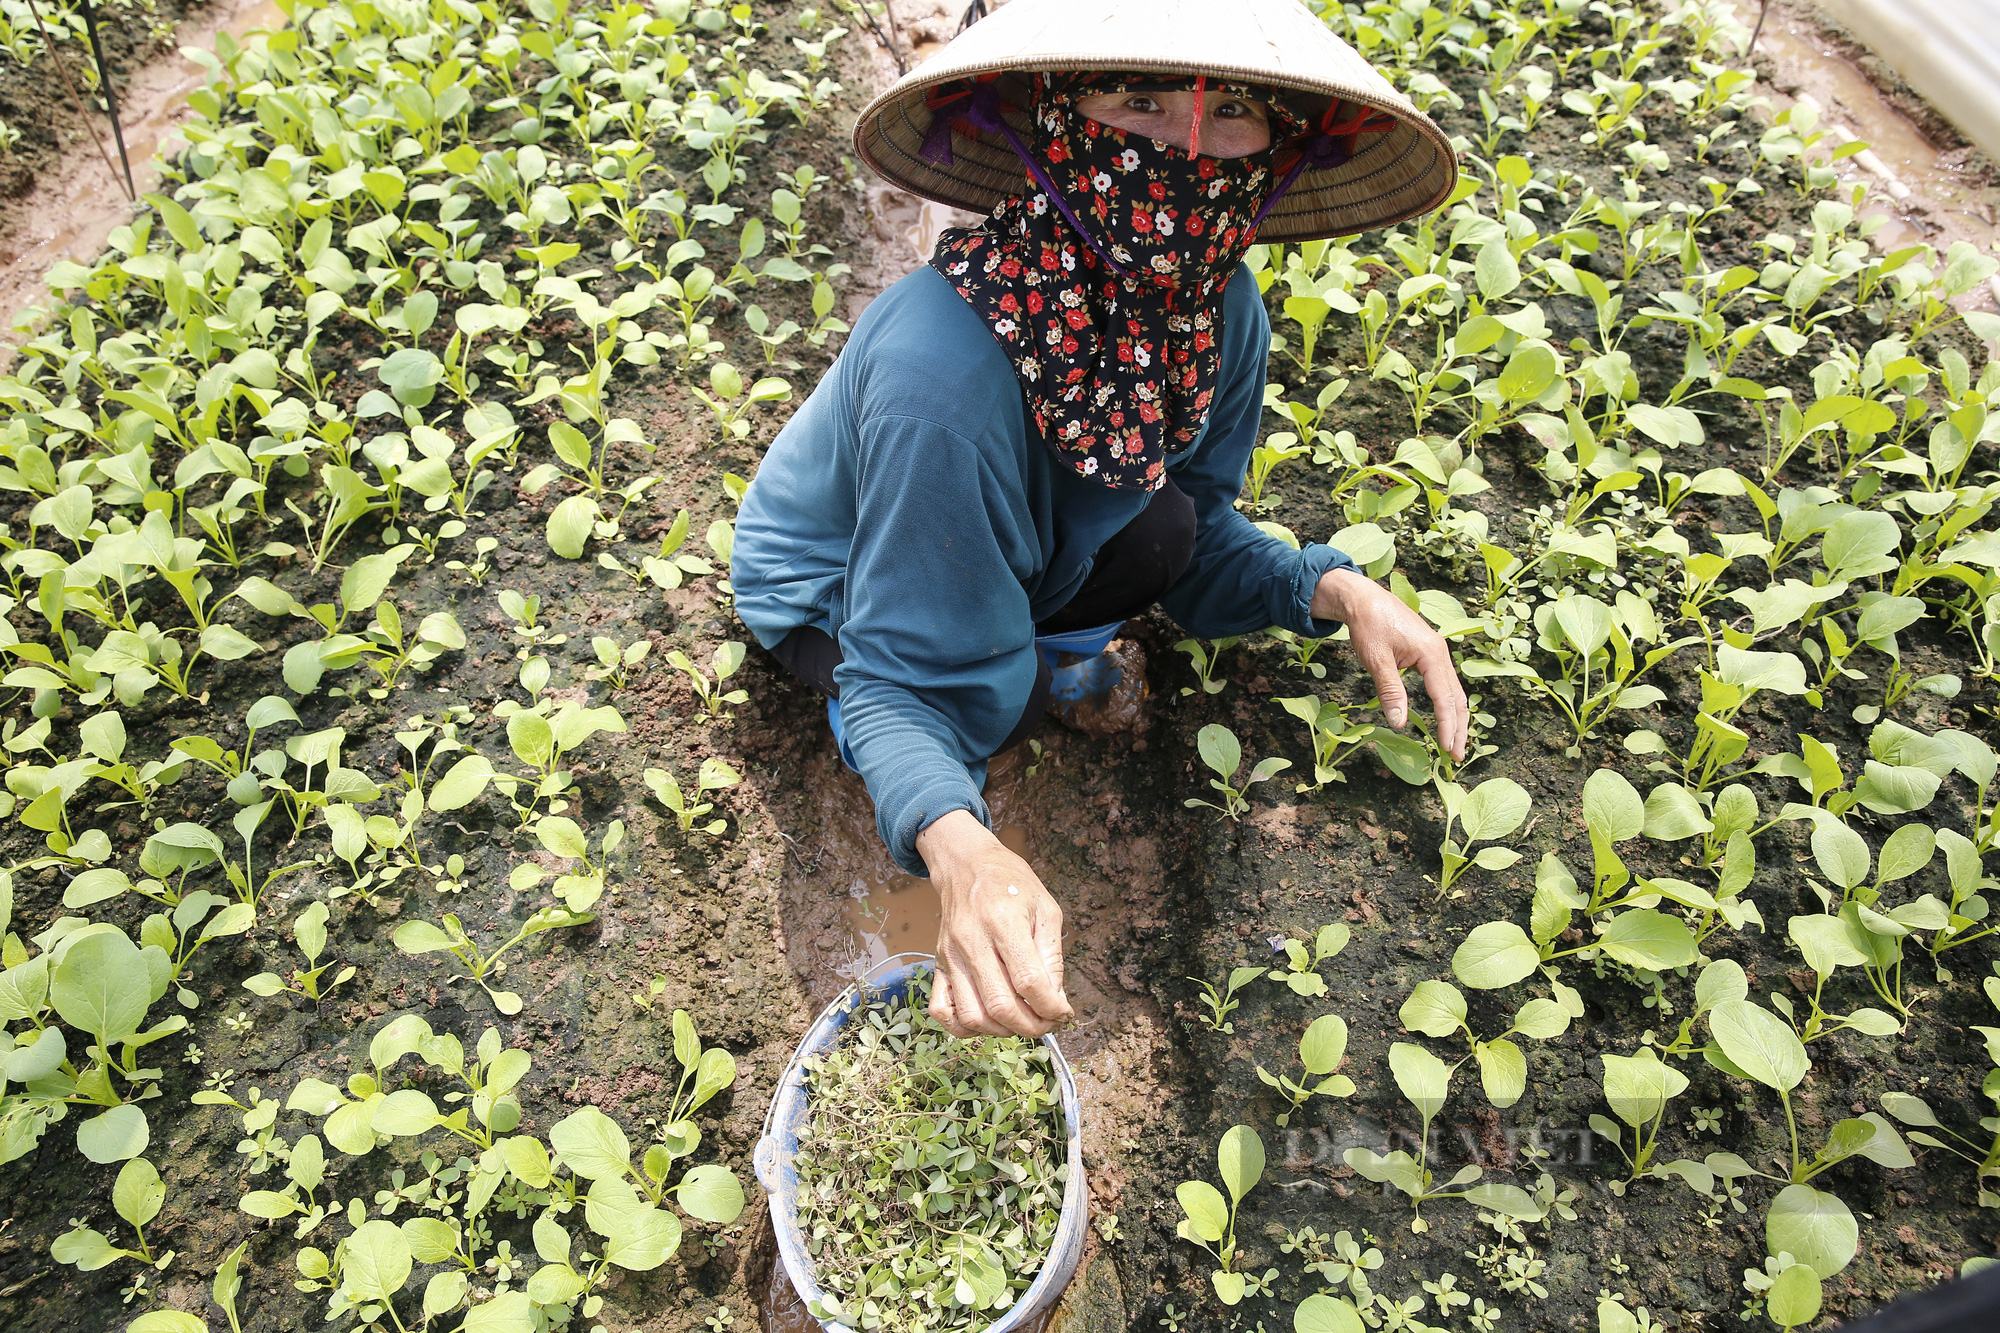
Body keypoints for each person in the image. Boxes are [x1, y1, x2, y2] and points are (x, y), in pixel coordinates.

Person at [732, 0, 1466, 1041]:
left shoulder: (1220, 312)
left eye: (1235, 111)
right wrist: (961, 848)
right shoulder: (938, 374)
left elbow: (1201, 534)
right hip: (837, 581)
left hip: (1005, 533)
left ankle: (1018, 642)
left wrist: (1324, 584)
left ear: (1280, 149)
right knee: (997, 697)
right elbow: (893, 677)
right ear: (1055, 118)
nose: (1184, 144)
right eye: (1137, 97)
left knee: (1160, 531)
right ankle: (1002, 685)